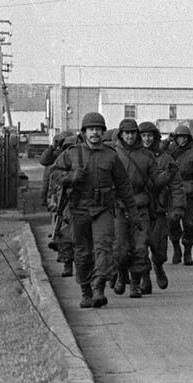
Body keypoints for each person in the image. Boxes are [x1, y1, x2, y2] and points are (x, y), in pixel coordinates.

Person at [49, 112, 137, 309]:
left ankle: (99, 286)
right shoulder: (72, 153)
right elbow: (53, 173)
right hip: (78, 209)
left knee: (105, 247)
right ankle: (86, 291)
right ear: (84, 132)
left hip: (103, 209)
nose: (95, 133)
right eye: (91, 129)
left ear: (103, 132)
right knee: (82, 252)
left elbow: (124, 186)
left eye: (98, 129)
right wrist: (71, 177)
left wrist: (133, 212)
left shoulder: (111, 156)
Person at [111, 118, 166, 299]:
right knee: (120, 247)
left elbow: (156, 180)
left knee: (140, 247)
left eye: (133, 133)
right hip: (119, 206)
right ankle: (121, 274)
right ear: (121, 134)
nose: (130, 136)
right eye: (126, 133)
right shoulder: (113, 154)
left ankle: (134, 284)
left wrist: (168, 175)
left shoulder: (146, 155)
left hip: (140, 206)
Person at [140, 121, 181, 292]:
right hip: (140, 208)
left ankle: (158, 266)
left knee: (159, 248)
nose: (147, 139)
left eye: (150, 136)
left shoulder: (165, 158)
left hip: (159, 208)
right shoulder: (134, 156)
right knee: (140, 247)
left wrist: (177, 207)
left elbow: (176, 185)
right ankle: (144, 278)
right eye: (143, 136)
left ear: (156, 137)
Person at [41, 130, 78, 277]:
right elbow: (51, 183)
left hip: (80, 203)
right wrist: (50, 199)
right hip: (63, 205)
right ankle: (67, 264)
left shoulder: (80, 162)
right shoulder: (58, 163)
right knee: (64, 237)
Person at [168, 125, 193, 266]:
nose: (182, 140)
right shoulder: (170, 151)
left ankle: (188, 250)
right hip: (172, 191)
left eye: (184, 137)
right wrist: (168, 140)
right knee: (172, 221)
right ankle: (176, 246)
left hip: (188, 191)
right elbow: (158, 150)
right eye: (179, 137)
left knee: (189, 223)